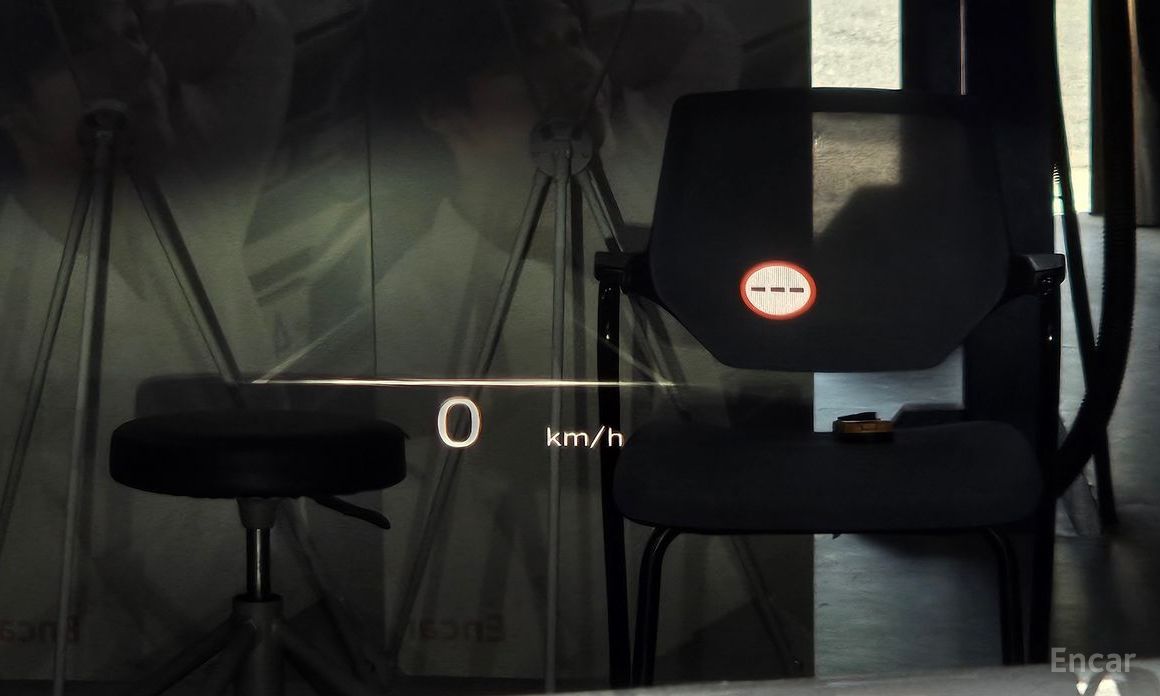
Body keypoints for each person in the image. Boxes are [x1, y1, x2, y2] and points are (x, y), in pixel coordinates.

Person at [0, 0, 293, 679]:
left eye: (136, 36)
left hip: (268, 634)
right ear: (11, 107)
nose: (136, 62)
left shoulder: (201, 215)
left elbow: (261, 35)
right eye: (84, 50)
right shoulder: (12, 277)